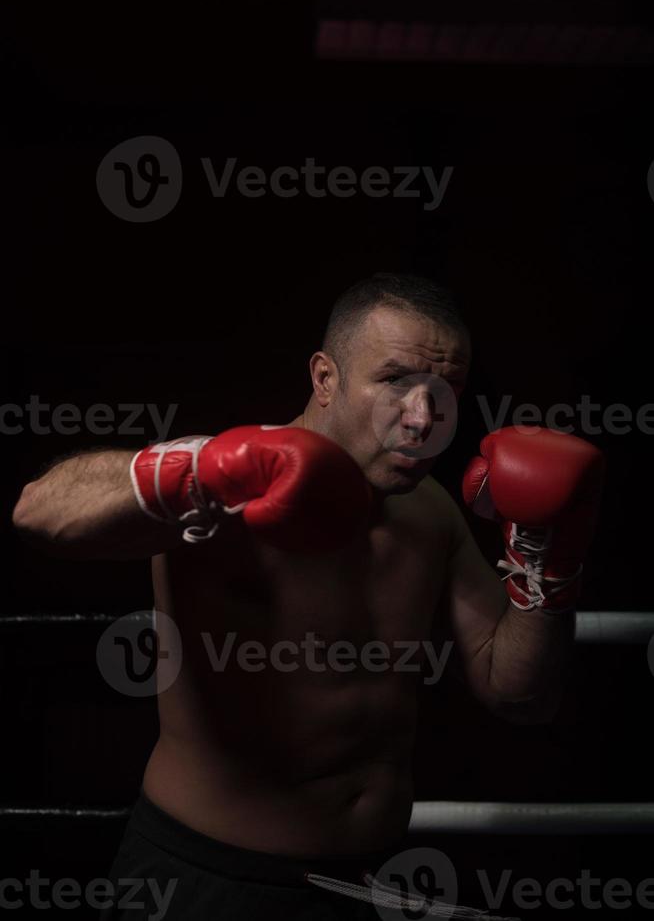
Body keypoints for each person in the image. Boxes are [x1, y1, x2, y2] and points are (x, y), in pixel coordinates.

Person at [12, 273, 604, 920]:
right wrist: (199, 470)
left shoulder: (431, 513)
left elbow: (517, 691)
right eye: (396, 382)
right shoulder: (235, 487)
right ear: (326, 378)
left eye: (445, 392)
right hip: (205, 882)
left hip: (365, 882)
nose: (423, 419)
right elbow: (39, 510)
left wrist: (548, 565)